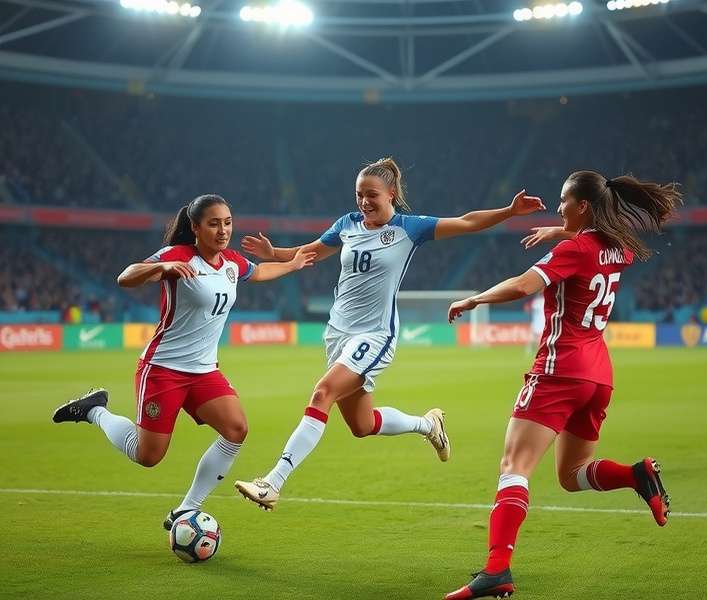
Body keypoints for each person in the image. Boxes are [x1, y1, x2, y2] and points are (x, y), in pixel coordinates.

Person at [234, 157, 545, 511]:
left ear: (391, 194)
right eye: (359, 194)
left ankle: (273, 482)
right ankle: (428, 425)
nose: (364, 202)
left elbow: (466, 222)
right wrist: (273, 253)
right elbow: (309, 254)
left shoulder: (410, 228)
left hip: (374, 335)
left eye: (372, 195)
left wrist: (509, 211)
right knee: (362, 425)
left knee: (322, 393)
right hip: (337, 334)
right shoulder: (347, 224)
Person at [443, 171, 681, 599]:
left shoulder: (575, 249)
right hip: (599, 375)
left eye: (563, 201)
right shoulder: (619, 248)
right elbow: (596, 245)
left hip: (560, 369)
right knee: (571, 475)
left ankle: (497, 570)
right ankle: (636, 475)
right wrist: (563, 232)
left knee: (514, 467)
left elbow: (523, 285)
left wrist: (475, 298)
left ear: (583, 206)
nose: (558, 208)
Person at [52, 194, 315, 529]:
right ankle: (95, 410)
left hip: (204, 371)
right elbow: (126, 276)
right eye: (214, 224)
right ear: (195, 227)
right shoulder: (178, 256)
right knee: (148, 456)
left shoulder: (231, 262)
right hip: (163, 369)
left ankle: (186, 509)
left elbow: (259, 271)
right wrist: (159, 268)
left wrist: (292, 264)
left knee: (236, 429)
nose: (223, 231)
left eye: (227, 223)